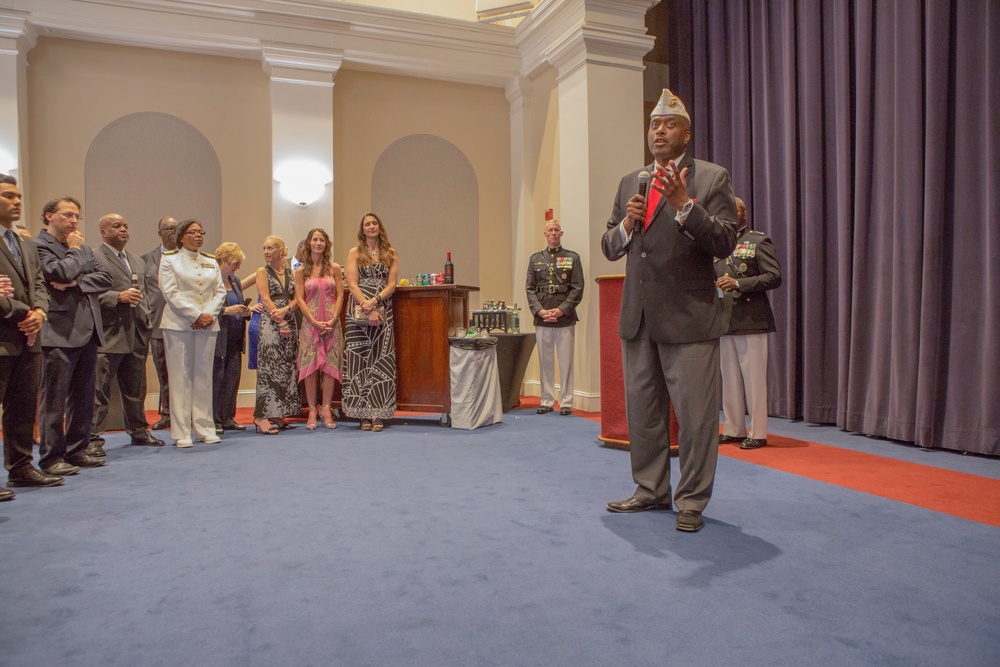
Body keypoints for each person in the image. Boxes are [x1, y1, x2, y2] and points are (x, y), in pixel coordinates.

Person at [600, 88, 738, 532]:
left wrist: (684, 206)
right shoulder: (630, 182)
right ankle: (650, 490)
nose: (659, 130)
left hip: (689, 318)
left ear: (687, 134)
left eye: (669, 124)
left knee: (696, 420)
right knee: (644, 413)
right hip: (639, 318)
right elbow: (608, 245)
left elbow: (725, 242)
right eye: (654, 124)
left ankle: (692, 501)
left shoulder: (711, 179)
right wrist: (626, 224)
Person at [34, 196, 114, 476]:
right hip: (58, 332)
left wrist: (76, 282)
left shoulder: (81, 247)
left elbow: (105, 278)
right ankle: (51, 457)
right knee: (54, 400)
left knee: (83, 398)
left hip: (88, 330)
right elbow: (58, 271)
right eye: (68, 215)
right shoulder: (39, 245)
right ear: (48, 216)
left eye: (77, 216)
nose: (74, 221)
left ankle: (77, 450)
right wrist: (75, 255)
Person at [0, 174, 61, 495]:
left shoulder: (24, 242)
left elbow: (38, 284)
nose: (17, 201)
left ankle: (21, 468)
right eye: (9, 196)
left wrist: (39, 312)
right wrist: (23, 313)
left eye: (19, 196)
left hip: (29, 338)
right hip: (3, 335)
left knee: (23, 407)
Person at [89, 213, 164, 454]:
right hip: (109, 335)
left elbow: (144, 297)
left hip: (136, 334)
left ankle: (139, 431)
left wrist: (147, 325)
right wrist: (116, 297)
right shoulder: (93, 257)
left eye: (125, 226)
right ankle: (93, 439)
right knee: (99, 390)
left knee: (136, 389)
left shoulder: (137, 261)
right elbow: (88, 294)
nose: (123, 229)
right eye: (116, 226)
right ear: (103, 232)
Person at [715, 197, 782, 450]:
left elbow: (773, 276)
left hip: (752, 318)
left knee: (753, 379)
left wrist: (739, 284)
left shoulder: (757, 241)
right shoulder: (717, 244)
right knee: (729, 378)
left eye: (735, 211)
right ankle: (733, 428)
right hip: (725, 319)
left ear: (744, 215)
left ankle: (758, 432)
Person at [159, 219, 227, 447]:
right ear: (181, 236)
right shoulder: (170, 260)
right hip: (178, 324)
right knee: (180, 377)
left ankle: (204, 427)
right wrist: (195, 315)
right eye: (193, 232)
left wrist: (208, 315)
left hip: (208, 324)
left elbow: (219, 291)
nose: (199, 236)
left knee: (203, 377)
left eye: (201, 232)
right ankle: (181, 432)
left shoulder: (210, 261)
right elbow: (170, 292)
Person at [343, 213, 398, 432]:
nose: (371, 226)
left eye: (374, 223)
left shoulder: (391, 253)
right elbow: (352, 283)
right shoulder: (354, 252)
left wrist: (375, 303)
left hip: (383, 308)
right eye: (367, 224)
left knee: (380, 359)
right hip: (358, 308)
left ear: (380, 227)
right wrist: (366, 305)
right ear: (362, 229)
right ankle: (361, 414)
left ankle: (378, 413)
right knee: (360, 360)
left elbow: (392, 284)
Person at [525, 217, 584, 416]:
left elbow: (577, 288)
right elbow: (530, 289)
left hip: (564, 317)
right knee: (545, 361)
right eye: (549, 230)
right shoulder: (535, 259)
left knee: (566, 362)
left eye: (556, 230)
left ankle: (566, 402)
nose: (553, 233)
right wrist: (540, 310)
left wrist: (562, 310)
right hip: (542, 316)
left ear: (561, 233)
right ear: (545, 234)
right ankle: (547, 400)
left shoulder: (572, 258)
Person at [294, 228, 344, 430]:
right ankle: (312, 409)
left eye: (322, 240)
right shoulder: (301, 271)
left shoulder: (334, 268)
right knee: (311, 367)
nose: (318, 243)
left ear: (326, 244)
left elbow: (340, 295)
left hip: (332, 323)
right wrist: (314, 321)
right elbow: (299, 298)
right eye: (315, 239)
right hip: (310, 324)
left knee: (330, 366)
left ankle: (326, 407)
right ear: (309, 243)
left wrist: (333, 319)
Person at [253, 235, 300, 434]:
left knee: (286, 367)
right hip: (271, 323)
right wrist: (279, 320)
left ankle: (277, 413)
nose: (266, 252)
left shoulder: (293, 272)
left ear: (281, 250)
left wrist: (288, 309)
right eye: (264, 248)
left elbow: (297, 298)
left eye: (270, 248)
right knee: (269, 367)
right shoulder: (262, 272)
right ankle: (261, 416)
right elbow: (264, 298)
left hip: (290, 320)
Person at [142, 216, 178, 431]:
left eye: (176, 227)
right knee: (163, 371)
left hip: (184, 323)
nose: (173, 231)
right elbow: (143, 291)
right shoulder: (146, 259)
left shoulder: (189, 258)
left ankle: (186, 412)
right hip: (157, 323)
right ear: (160, 233)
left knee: (183, 371)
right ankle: (166, 413)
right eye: (168, 228)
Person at [213, 242, 252, 433]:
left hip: (236, 337)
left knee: (232, 378)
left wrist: (246, 312)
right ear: (223, 260)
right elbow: (206, 307)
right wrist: (226, 310)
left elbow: (238, 305)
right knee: (217, 379)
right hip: (219, 337)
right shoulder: (212, 280)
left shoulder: (235, 281)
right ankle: (215, 420)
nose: (238, 267)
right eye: (235, 263)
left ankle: (228, 417)